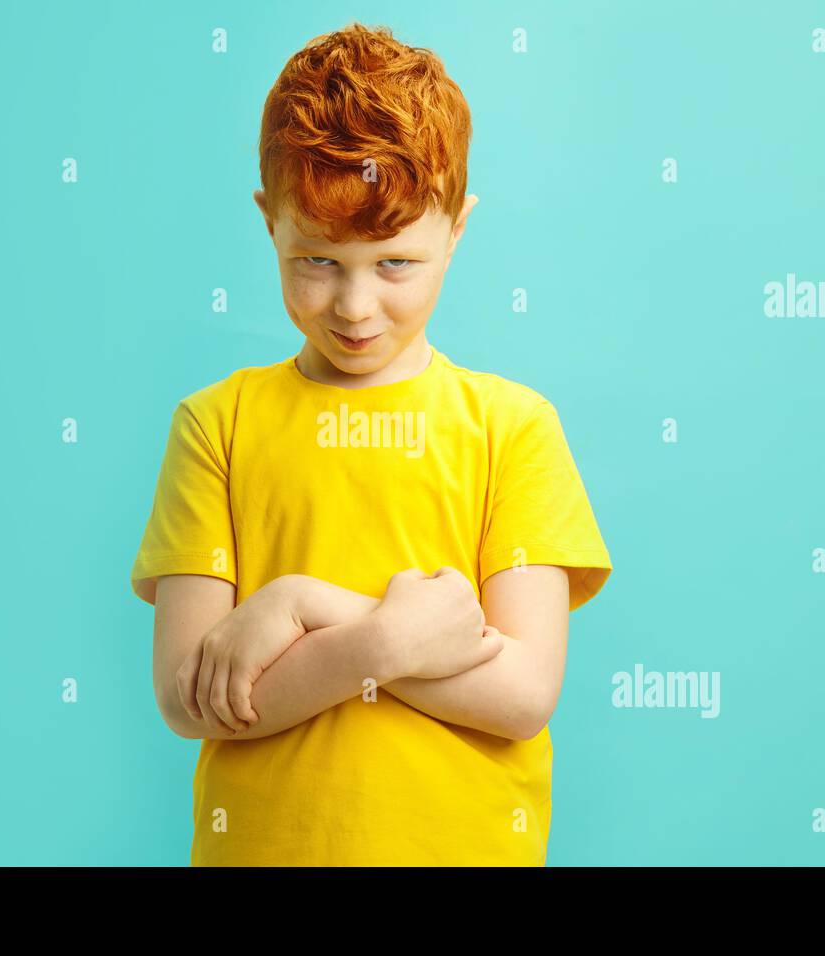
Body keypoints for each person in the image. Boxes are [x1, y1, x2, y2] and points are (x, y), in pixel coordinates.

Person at [130, 21, 613, 866]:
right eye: (316, 261)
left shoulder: (513, 428)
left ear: (456, 229)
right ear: (268, 224)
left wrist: (302, 605)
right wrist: (382, 642)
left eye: (394, 264)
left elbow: (523, 693)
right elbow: (189, 697)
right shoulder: (218, 425)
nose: (355, 307)